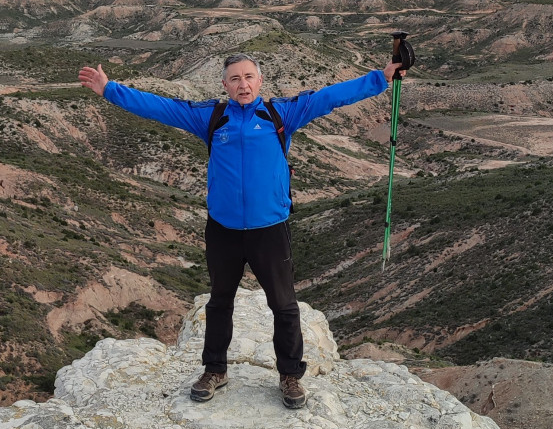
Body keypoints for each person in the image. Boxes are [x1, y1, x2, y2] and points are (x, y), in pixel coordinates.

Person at [78, 53, 406, 409]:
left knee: (284, 305)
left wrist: (381, 77)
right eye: (235, 79)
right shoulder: (212, 117)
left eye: (249, 77)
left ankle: (290, 375)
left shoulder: (282, 113)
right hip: (223, 230)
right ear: (225, 85)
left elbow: (329, 97)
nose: (243, 84)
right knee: (219, 303)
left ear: (260, 82)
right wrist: (109, 89)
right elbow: (159, 107)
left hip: (270, 230)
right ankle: (214, 370)